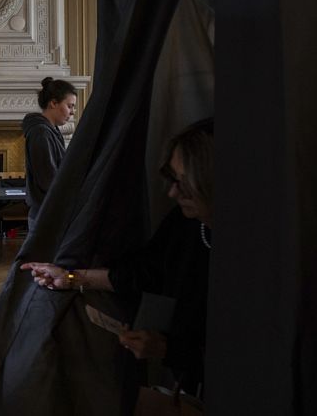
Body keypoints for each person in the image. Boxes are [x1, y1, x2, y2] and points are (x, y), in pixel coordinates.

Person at [21, 118, 214, 396]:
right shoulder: (184, 225)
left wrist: (168, 349)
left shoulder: (258, 254)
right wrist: (70, 277)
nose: (172, 192)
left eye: (184, 183)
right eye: (172, 180)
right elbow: (141, 271)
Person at [21, 77, 77, 228]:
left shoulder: (50, 130)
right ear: (53, 103)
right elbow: (48, 179)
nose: (72, 112)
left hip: (50, 212)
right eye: (70, 106)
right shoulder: (41, 132)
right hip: (46, 215)